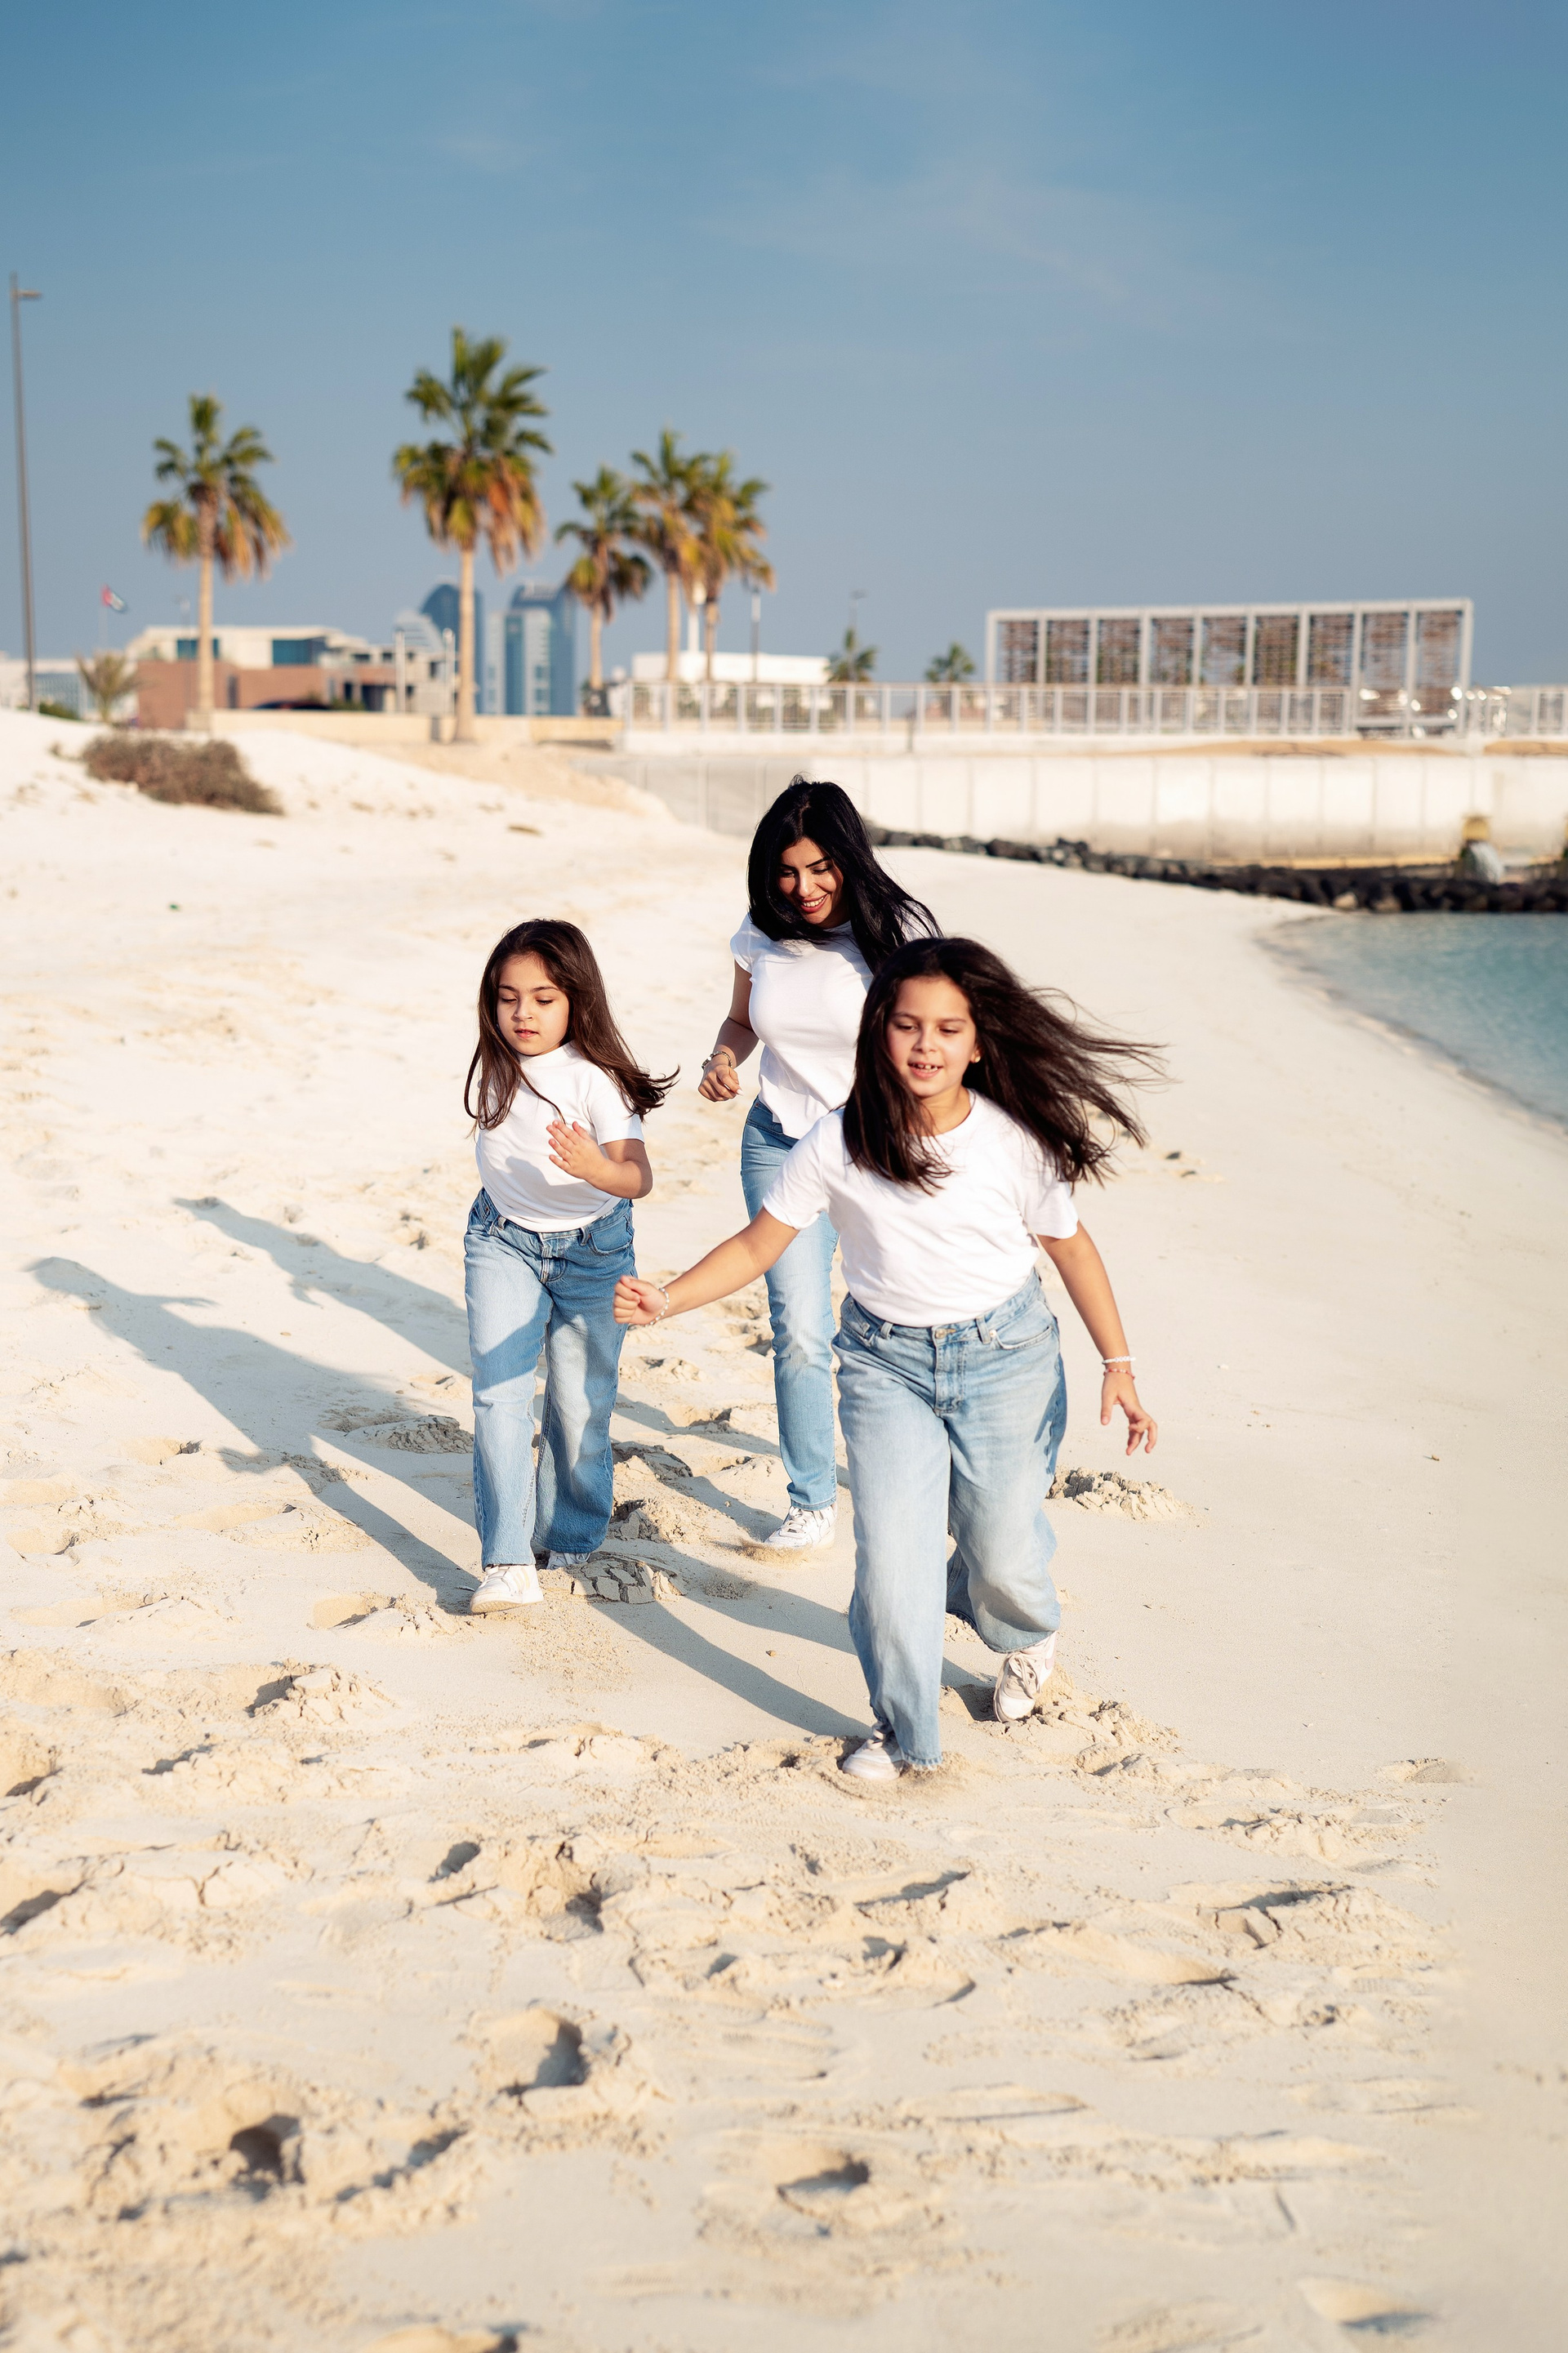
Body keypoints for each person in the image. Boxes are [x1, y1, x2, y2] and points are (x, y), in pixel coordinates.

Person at [617, 936, 1159, 1778]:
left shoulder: (1012, 1141)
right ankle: (905, 1733)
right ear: (878, 1032)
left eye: (948, 1028)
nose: (925, 1045)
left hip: (1006, 1358)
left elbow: (1072, 1248)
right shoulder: (838, 1139)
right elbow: (760, 1242)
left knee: (1001, 1547)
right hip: (885, 1366)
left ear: (977, 1043)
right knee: (893, 1564)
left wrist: (1117, 1365)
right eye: (907, 1025)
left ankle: (1022, 1629)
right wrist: (669, 1297)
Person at [697, 777, 937, 1550]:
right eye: (786, 872)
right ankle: (810, 1500)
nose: (802, 889)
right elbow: (741, 1021)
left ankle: (921, 1472)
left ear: (848, 860)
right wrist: (722, 1059)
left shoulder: (893, 937)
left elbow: (933, 1046)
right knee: (799, 1326)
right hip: (778, 1141)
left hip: (876, 1152)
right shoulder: (759, 933)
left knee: (900, 1320)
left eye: (820, 868)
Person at [462, 919, 673, 1613]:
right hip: (502, 1240)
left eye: (543, 998)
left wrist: (595, 1167)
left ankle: (570, 1533)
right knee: (499, 1393)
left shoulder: (595, 1079)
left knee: (580, 1400)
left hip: (593, 1252)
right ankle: (507, 1560)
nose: (522, 1013)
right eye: (508, 998)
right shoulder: (497, 1060)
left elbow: (638, 1176)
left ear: (576, 1000)